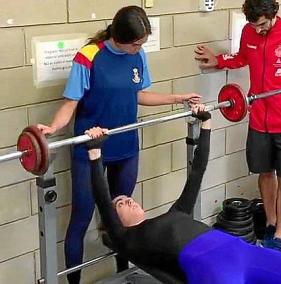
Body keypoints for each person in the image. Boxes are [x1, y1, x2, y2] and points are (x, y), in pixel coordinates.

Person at [84, 105, 281, 284]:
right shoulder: (128, 239)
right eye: (120, 205)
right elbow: (101, 195)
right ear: (113, 223)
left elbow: (197, 172)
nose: (127, 199)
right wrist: (95, 153)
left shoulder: (176, 213)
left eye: (126, 197)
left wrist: (206, 125)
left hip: (244, 253)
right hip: (210, 268)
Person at [36, 6, 201, 284]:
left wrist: (177, 98)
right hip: (90, 150)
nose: (139, 48)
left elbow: (139, 95)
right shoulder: (89, 56)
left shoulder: (137, 55)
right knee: (81, 219)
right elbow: (70, 103)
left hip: (126, 146)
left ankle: (122, 273)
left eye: (142, 43)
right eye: (136, 43)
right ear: (119, 37)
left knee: (121, 220)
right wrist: (52, 128)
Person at [194, 0, 281, 251]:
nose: (258, 29)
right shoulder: (249, 31)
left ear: (273, 14)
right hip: (260, 118)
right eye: (254, 25)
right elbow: (243, 57)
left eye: (262, 24)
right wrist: (219, 60)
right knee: (265, 173)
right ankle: (272, 223)